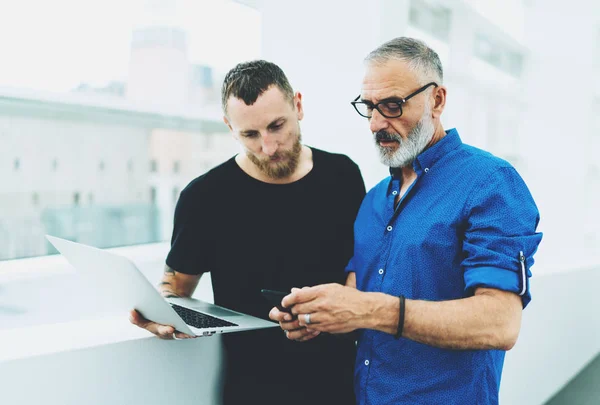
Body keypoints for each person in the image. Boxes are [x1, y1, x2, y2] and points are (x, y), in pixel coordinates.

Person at [273, 37, 543, 404]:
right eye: (368, 107)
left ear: (437, 100)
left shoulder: (490, 182)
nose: (375, 124)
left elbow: (500, 322)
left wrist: (371, 309)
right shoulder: (373, 201)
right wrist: (316, 315)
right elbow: (356, 300)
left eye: (392, 106)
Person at [130, 60, 365, 405]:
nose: (268, 147)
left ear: (298, 106)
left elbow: (362, 271)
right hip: (250, 391)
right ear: (230, 127)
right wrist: (161, 315)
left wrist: (332, 312)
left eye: (277, 126)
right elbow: (175, 286)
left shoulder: (343, 175)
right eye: (250, 135)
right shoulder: (204, 197)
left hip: (339, 386)